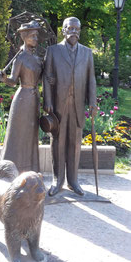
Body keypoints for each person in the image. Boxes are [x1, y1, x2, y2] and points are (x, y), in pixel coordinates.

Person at [43, 16, 97, 196]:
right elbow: (47, 77)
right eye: (70, 28)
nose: (74, 32)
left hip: (78, 105)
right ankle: (57, 180)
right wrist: (48, 101)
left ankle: (73, 181)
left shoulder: (87, 53)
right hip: (58, 105)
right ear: (64, 30)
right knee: (58, 141)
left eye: (77, 29)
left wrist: (93, 102)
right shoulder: (53, 51)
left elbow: (91, 79)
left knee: (75, 143)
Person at [0, 21, 42, 173]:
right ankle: (11, 170)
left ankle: (31, 169)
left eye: (37, 36)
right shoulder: (19, 58)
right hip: (22, 100)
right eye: (33, 36)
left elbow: (41, 78)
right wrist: (4, 78)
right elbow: (13, 82)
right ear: (25, 37)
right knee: (19, 134)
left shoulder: (37, 59)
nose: (36, 39)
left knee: (31, 134)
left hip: (35, 99)